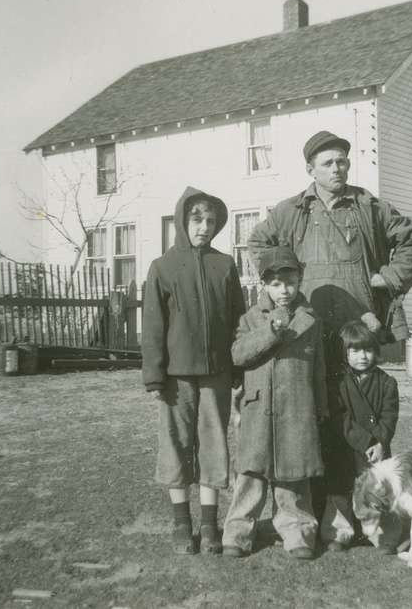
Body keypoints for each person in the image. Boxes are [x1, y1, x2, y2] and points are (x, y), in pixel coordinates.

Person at [247, 129, 412, 514]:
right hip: (307, 333)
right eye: (328, 162)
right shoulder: (291, 210)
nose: (337, 168)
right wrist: (281, 280)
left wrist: (386, 278)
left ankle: (369, 508)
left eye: (342, 161)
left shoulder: (368, 206)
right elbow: (259, 244)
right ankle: (315, 509)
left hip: (356, 332)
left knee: (358, 415)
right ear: (310, 168)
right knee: (313, 417)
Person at [141, 186, 245, 555]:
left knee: (214, 445)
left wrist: (237, 367)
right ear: (182, 221)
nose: (204, 227)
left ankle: (210, 526)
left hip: (216, 372)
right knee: (176, 445)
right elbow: (152, 326)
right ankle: (182, 524)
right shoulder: (162, 267)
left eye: (211, 221)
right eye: (197, 219)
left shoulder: (225, 266)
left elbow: (238, 321)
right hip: (175, 376)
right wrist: (155, 375)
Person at [222, 246, 328, 560]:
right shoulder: (250, 318)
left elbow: (318, 368)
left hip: (297, 407)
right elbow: (237, 354)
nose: (284, 290)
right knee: (250, 474)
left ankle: (298, 531)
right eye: (276, 284)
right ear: (264, 284)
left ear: (300, 280)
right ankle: (238, 532)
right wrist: (271, 330)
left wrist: (319, 407)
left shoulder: (311, 320)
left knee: (293, 476)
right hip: (258, 406)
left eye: (290, 282)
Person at [320, 320, 402, 552]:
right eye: (354, 350)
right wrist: (366, 440)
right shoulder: (336, 383)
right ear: (345, 353)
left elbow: (389, 416)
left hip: (375, 450)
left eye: (367, 350)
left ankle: (382, 535)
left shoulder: (387, 382)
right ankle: (338, 532)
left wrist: (379, 442)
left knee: (377, 491)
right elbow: (339, 417)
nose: (362, 356)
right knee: (340, 491)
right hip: (345, 446)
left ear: (376, 352)